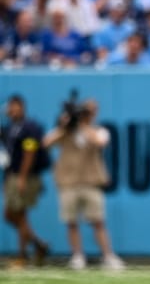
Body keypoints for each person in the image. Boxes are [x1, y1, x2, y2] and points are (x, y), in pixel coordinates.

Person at [42, 99, 125, 270]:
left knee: (98, 221)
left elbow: (100, 141)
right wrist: (65, 127)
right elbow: (46, 142)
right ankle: (77, 256)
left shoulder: (98, 130)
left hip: (91, 182)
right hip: (68, 182)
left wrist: (81, 125)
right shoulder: (66, 131)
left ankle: (107, 255)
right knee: (71, 221)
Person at [1, 95, 49, 268]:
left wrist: (22, 177)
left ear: (22, 107)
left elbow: (30, 152)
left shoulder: (29, 127)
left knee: (20, 215)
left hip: (24, 176)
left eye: (15, 106)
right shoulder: (10, 127)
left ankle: (23, 256)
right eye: (10, 106)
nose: (12, 110)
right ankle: (38, 244)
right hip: (12, 175)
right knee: (12, 215)